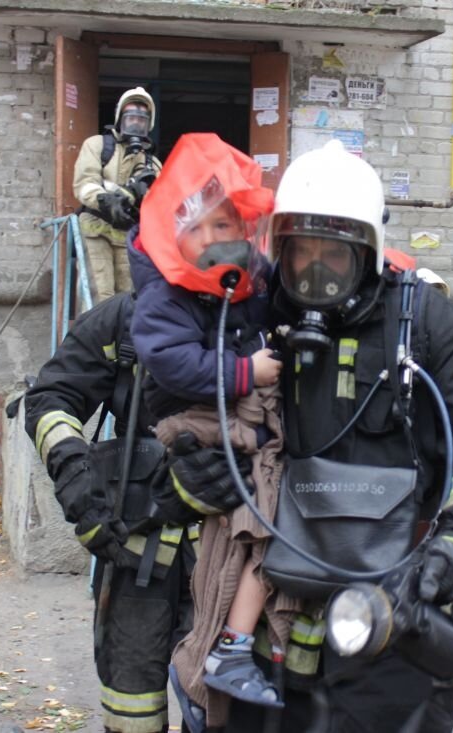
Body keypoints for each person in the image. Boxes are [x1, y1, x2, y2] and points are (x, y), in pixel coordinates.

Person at [149, 139, 453, 732]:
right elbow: (200, 431)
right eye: (299, 249)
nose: (314, 270)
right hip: (268, 637)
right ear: (276, 245)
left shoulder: (430, 329)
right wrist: (194, 477)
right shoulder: (252, 322)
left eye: (334, 253)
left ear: (370, 251)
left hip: (394, 621)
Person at [126, 133, 290, 725]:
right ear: (178, 234)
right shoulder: (164, 296)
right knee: (265, 510)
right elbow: (172, 361)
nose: (225, 238)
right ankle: (225, 651)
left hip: (232, 414)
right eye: (209, 228)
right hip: (193, 422)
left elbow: (284, 292)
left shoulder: (244, 281)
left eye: (231, 226)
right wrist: (245, 372)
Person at [23, 290, 200, 733]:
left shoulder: (258, 314)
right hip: (135, 539)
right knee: (131, 699)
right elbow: (51, 398)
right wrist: (76, 477)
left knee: (225, 695)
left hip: (231, 546)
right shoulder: (123, 320)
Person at [73, 86, 163, 303]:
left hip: (129, 235)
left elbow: (161, 203)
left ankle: (120, 338)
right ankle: (95, 338)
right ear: (119, 117)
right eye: (130, 116)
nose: (135, 123)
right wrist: (106, 199)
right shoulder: (97, 146)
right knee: (99, 295)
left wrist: (145, 194)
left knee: (128, 298)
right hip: (96, 228)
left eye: (141, 119)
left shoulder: (152, 163)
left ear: (148, 124)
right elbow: (84, 183)